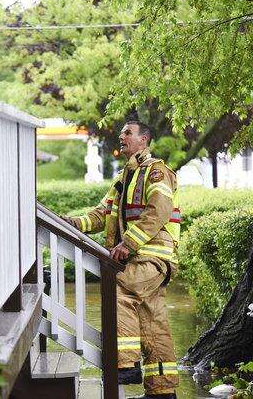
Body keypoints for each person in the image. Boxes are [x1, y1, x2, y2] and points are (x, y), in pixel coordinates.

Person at [63, 121, 180, 399]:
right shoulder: (123, 178)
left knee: (119, 289)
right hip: (141, 257)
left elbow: (158, 210)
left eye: (128, 132)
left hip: (153, 256)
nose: (121, 136)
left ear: (144, 140)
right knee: (153, 323)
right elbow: (101, 215)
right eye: (122, 132)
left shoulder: (157, 172)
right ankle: (162, 391)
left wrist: (128, 243)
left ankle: (126, 365)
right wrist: (71, 223)